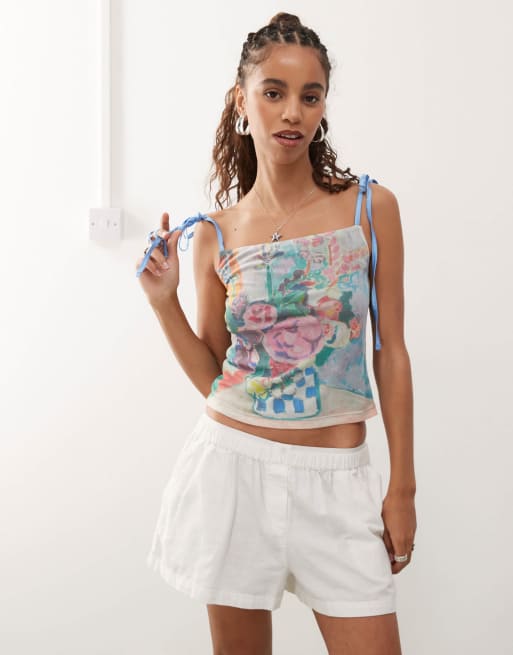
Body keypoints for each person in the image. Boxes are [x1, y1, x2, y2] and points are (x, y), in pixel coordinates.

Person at [136, 12, 416, 655]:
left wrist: (401, 485)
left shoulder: (370, 208)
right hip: (232, 473)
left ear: (323, 108)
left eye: (310, 96)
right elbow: (216, 373)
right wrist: (163, 302)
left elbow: (392, 351)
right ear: (242, 101)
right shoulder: (215, 233)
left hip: (340, 483)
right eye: (273, 92)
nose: (293, 112)